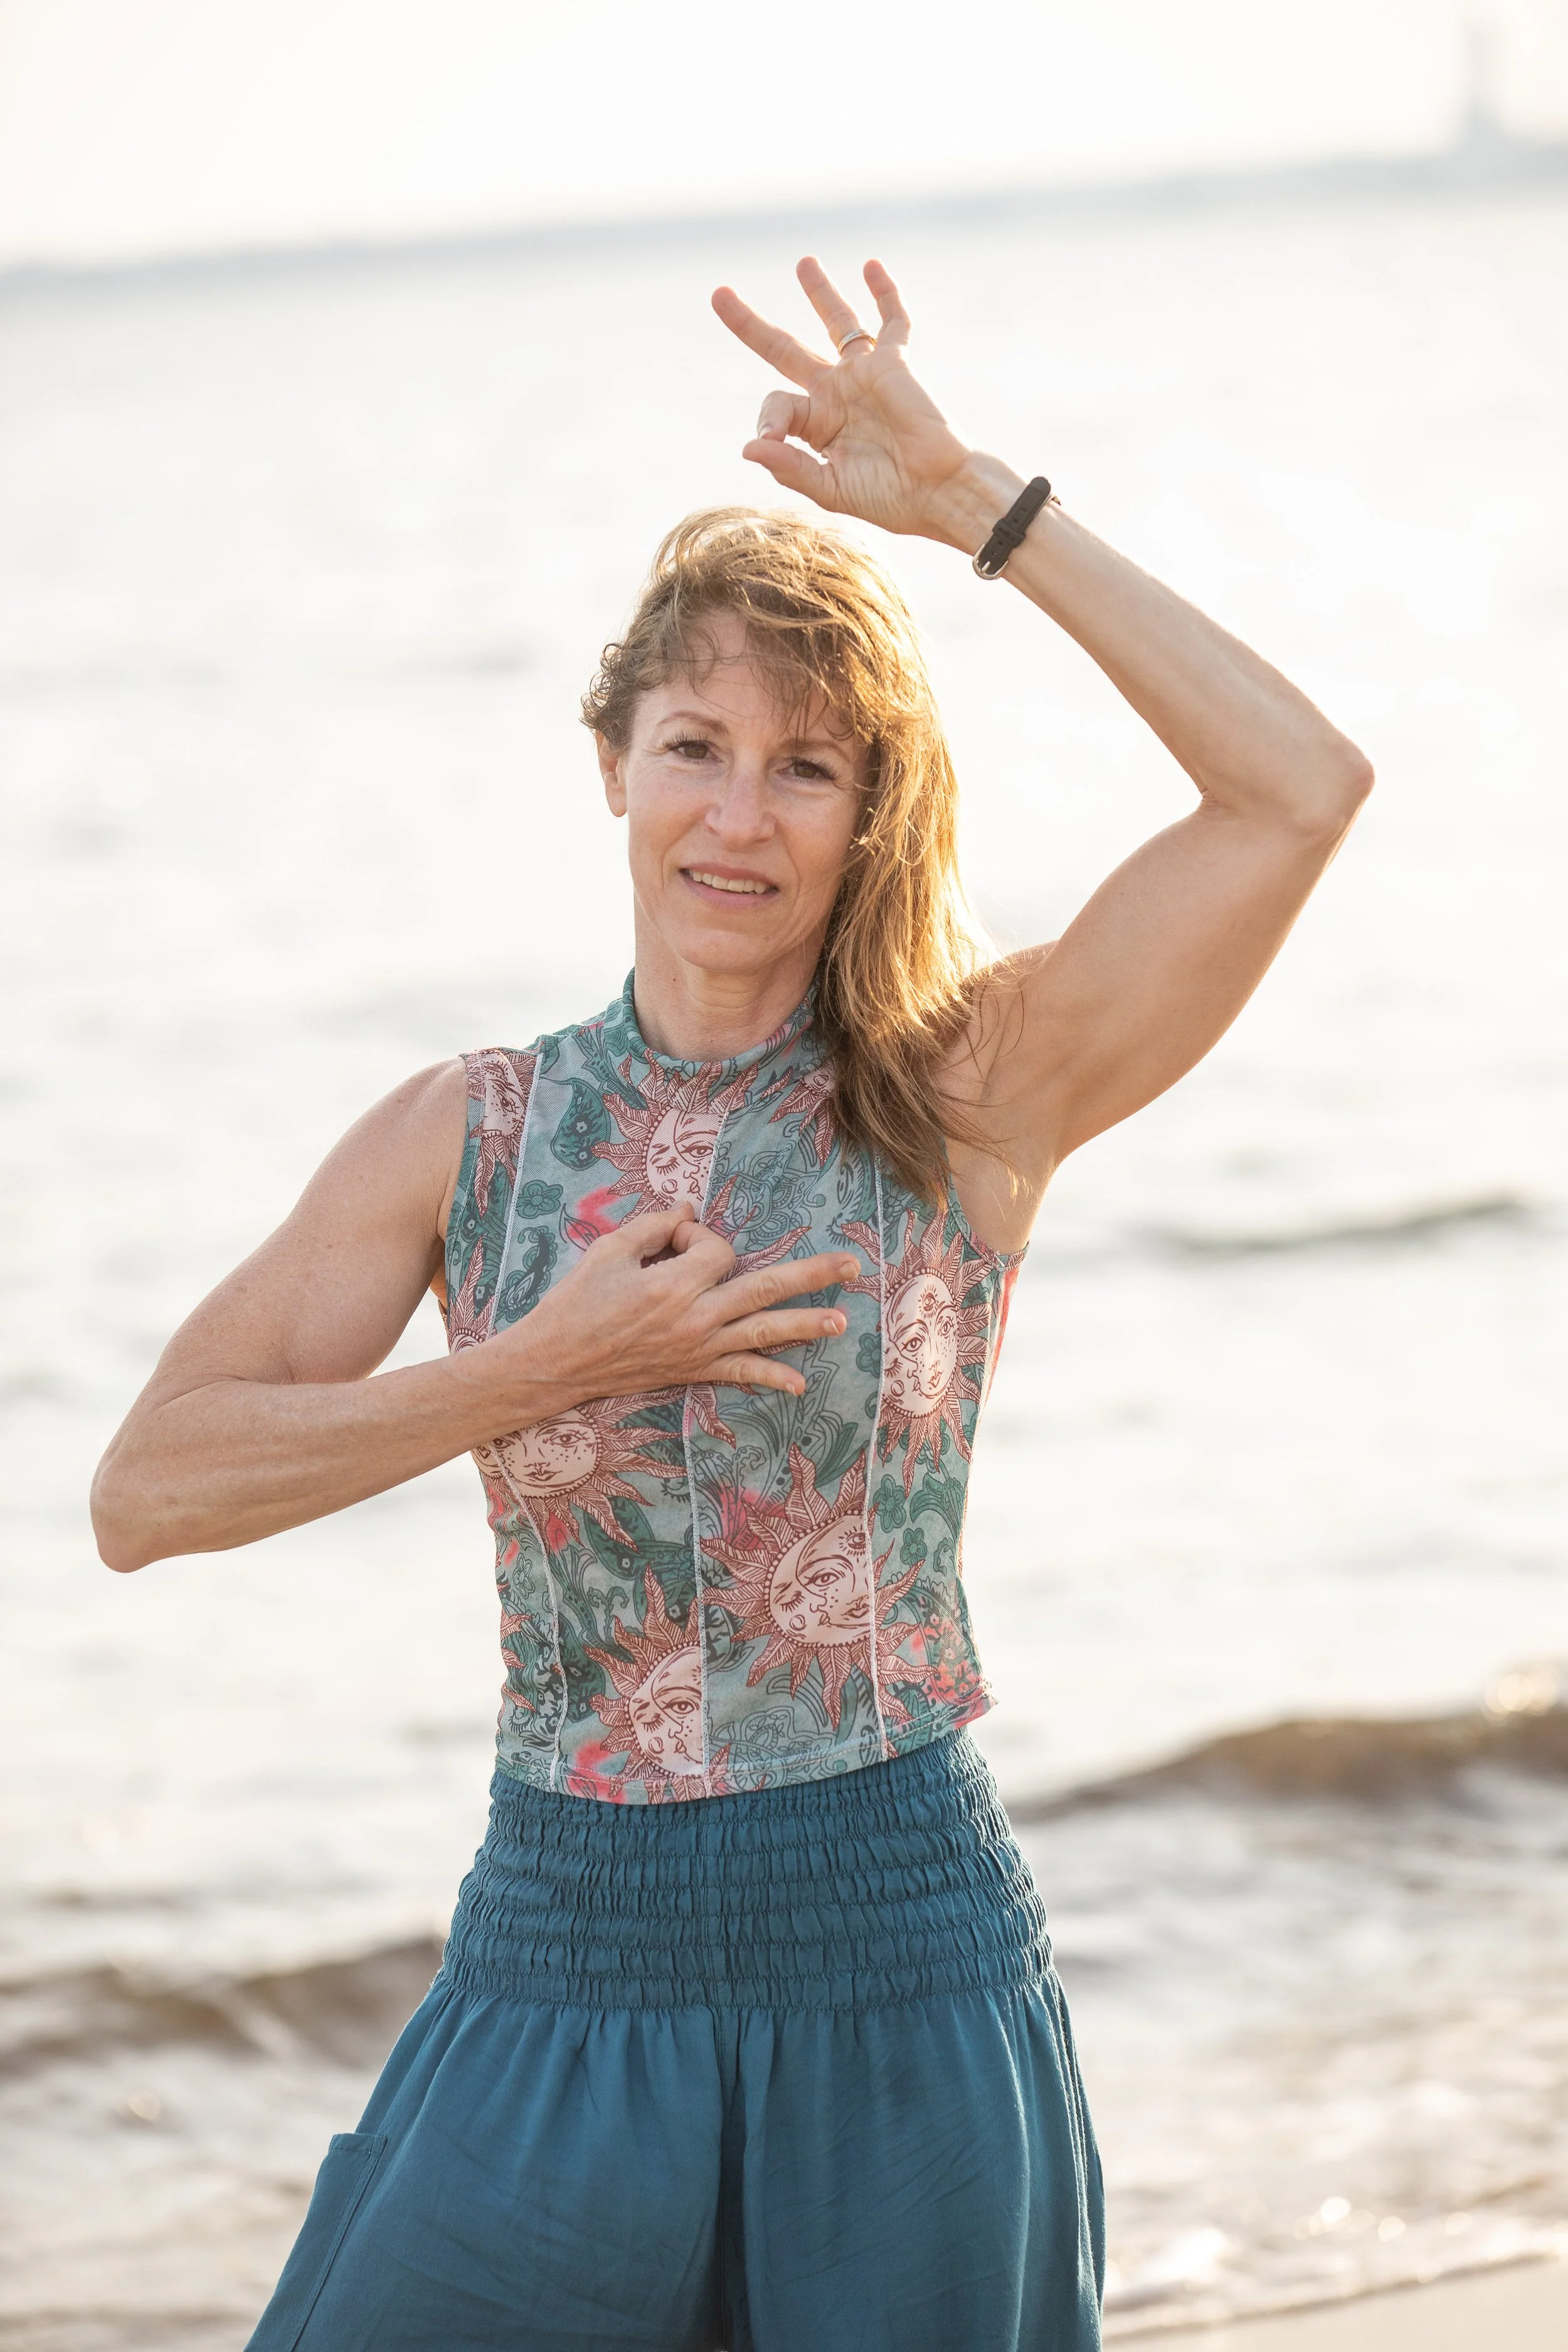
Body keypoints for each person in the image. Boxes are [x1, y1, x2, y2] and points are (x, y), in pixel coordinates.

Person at [90, 257, 1372, 2352]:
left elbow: (1297, 788)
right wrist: (531, 1368)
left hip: (899, 1956)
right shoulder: (466, 1132)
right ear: (610, 763)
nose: (739, 813)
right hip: (559, 1962)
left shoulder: (967, 1087)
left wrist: (974, 504)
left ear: (869, 814)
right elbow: (146, 1493)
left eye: (807, 767)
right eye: (696, 746)